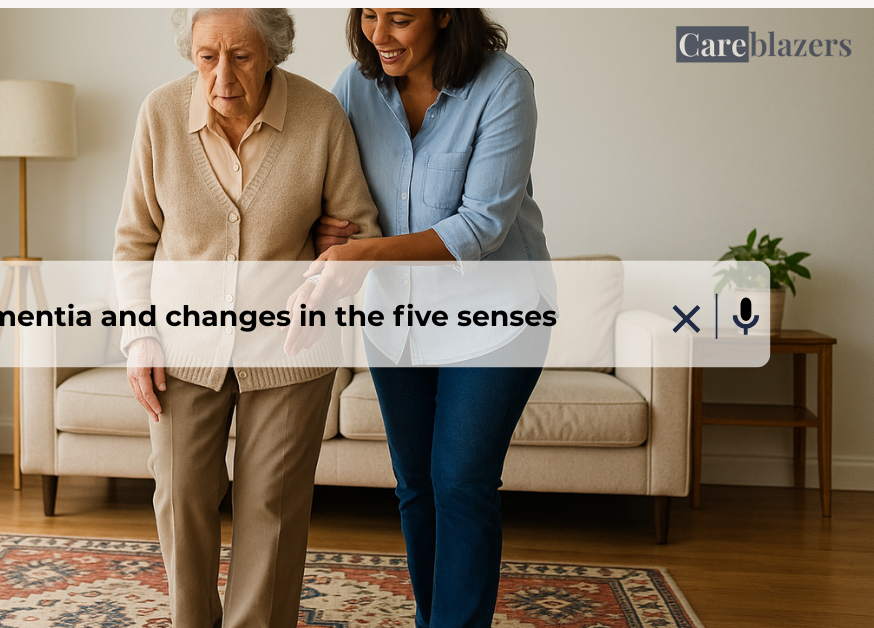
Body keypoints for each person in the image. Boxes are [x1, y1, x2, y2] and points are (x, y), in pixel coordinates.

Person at [113, 9, 380, 628]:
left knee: (274, 508)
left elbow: (361, 230)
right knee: (181, 500)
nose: (223, 76)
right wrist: (138, 338)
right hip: (181, 348)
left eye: (242, 56)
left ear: (273, 53)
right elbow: (134, 241)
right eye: (207, 56)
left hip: (290, 351)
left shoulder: (319, 117)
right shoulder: (160, 114)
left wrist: (330, 263)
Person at [303, 8, 555, 627]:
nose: (379, 35)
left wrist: (361, 251)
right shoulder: (354, 87)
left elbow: (482, 224)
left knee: (461, 485)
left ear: (445, 15)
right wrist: (322, 226)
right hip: (398, 317)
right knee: (416, 488)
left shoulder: (503, 85)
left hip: (496, 317)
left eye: (401, 19)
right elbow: (331, 189)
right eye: (368, 15)